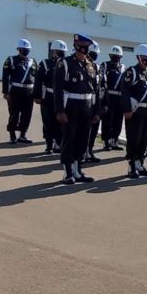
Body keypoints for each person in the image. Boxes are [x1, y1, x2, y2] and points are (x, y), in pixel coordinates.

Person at [54, 34, 99, 184]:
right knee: (69, 139)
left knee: (83, 139)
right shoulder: (65, 63)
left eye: (86, 48)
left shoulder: (91, 65)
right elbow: (58, 88)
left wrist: (96, 111)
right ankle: (67, 172)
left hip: (87, 107)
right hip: (71, 107)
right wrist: (60, 111)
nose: (83, 51)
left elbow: (96, 90)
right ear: (75, 46)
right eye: (81, 47)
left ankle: (78, 170)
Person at [121, 44, 147, 179]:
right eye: (145, 58)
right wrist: (127, 109)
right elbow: (125, 92)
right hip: (136, 111)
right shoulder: (131, 72)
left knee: (144, 139)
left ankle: (140, 164)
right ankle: (132, 165)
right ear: (138, 57)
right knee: (134, 138)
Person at [33, 39, 66, 154]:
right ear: (53, 51)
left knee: (60, 122)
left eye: (63, 52)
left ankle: (58, 143)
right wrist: (36, 96)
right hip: (47, 97)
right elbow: (38, 81)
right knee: (48, 121)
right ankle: (49, 144)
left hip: (61, 98)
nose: (62, 54)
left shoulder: (66, 64)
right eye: (59, 51)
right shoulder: (45, 64)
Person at [2, 38, 37, 144]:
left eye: (27, 49)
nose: (25, 51)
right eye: (23, 49)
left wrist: (37, 93)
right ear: (18, 49)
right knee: (14, 114)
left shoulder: (33, 61)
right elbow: (5, 77)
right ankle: (12, 135)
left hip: (29, 91)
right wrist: (5, 92)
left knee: (27, 114)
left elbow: (38, 77)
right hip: (15, 91)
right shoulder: (11, 60)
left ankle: (22, 135)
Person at [101, 45, 126, 150]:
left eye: (118, 56)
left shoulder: (123, 68)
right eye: (113, 56)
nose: (116, 58)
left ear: (121, 57)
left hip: (119, 99)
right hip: (108, 97)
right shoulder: (105, 66)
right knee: (107, 121)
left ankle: (114, 140)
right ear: (110, 56)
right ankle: (106, 141)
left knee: (118, 121)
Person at [84, 41, 104, 163]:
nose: (94, 56)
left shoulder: (98, 68)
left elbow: (102, 87)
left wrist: (104, 104)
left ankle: (89, 151)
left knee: (94, 129)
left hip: (96, 102)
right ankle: (81, 153)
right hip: (84, 104)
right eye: (92, 53)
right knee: (83, 130)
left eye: (96, 54)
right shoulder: (81, 66)